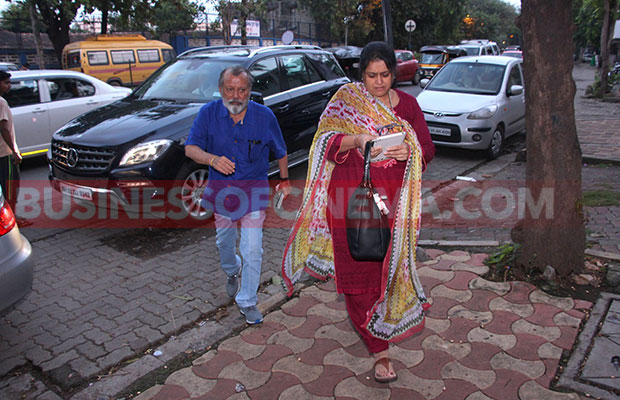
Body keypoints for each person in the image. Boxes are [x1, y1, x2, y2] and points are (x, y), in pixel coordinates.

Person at [281, 42, 435, 383]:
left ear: (394, 74)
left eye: (384, 75)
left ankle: (379, 321)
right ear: (360, 74)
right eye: (371, 75)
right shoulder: (346, 101)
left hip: (394, 204)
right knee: (357, 273)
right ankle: (380, 351)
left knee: (386, 269)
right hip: (350, 200)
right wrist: (357, 140)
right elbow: (323, 142)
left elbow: (426, 148)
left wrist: (408, 150)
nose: (378, 83)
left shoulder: (408, 105)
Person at [185, 65, 291, 325]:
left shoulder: (264, 117)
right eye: (230, 89)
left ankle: (248, 300)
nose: (236, 95)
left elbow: (281, 151)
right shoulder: (208, 114)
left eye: (241, 90)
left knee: (253, 248)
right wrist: (212, 159)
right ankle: (233, 270)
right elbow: (190, 148)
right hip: (222, 193)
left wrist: (285, 181)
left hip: (253, 191)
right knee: (224, 243)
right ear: (221, 90)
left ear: (249, 91)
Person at [0, 70, 22, 213]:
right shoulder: (1, 102)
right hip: (4, 152)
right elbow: (4, 128)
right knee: (10, 187)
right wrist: (14, 151)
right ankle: (12, 218)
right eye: (6, 83)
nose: (9, 86)